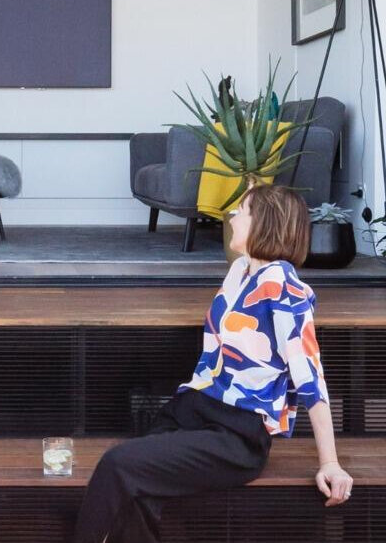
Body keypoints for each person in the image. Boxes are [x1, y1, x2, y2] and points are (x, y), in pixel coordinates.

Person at [72, 183, 353, 542]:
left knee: (118, 465)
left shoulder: (284, 287)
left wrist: (329, 462)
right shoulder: (239, 273)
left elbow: (310, 377)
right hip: (192, 411)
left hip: (235, 434)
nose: (232, 217)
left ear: (264, 223)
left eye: (243, 211)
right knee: (138, 490)